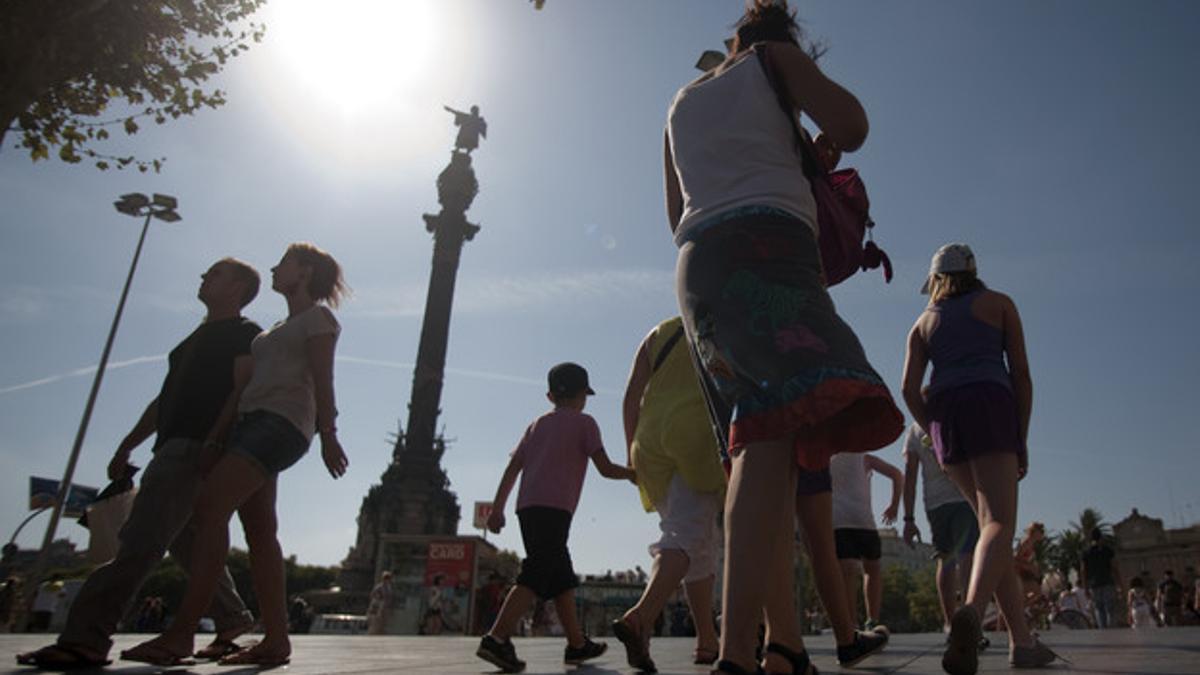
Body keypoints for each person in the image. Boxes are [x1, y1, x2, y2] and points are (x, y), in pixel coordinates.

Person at [664, 3, 904, 672]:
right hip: (767, 249)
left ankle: (782, 643)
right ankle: (740, 651)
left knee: (752, 446)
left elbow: (674, 212)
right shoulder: (776, 60)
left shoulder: (681, 101)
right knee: (769, 437)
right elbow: (853, 126)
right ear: (781, 37)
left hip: (696, 271)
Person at [16, 259, 262, 669]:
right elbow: (164, 400)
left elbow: (241, 391)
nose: (203, 276)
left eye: (215, 273)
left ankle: (86, 639)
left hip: (193, 448)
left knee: (140, 540)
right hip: (174, 445)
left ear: (238, 287)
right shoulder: (192, 342)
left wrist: (216, 440)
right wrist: (128, 444)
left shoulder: (245, 334)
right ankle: (232, 615)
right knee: (188, 544)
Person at [121, 242, 349, 667]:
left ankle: (182, 633)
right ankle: (276, 639)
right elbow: (241, 390)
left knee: (208, 509)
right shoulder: (269, 333)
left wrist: (329, 433)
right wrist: (217, 437)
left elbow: (323, 377)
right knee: (260, 534)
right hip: (249, 427)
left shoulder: (318, 319)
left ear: (305, 272)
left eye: (284, 263)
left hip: (280, 425)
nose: (275, 269)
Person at [901, 243, 1056, 673]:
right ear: (973, 272)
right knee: (999, 524)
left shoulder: (923, 322)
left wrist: (931, 430)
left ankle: (1022, 643)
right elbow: (1021, 374)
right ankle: (970, 611)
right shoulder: (999, 303)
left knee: (992, 533)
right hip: (990, 404)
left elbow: (908, 390)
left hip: (946, 416)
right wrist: (1019, 436)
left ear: (935, 280)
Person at [474, 362, 637, 673]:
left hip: (527, 509)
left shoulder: (536, 425)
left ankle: (577, 645)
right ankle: (496, 638)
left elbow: (513, 468)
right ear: (583, 395)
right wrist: (634, 475)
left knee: (561, 576)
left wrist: (497, 508)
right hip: (555, 510)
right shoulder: (585, 423)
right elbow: (604, 468)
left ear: (550, 396)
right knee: (536, 573)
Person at [611, 317, 726, 672]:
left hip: (649, 442)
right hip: (696, 436)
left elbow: (632, 394)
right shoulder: (722, 325)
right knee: (686, 536)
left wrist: (631, 450)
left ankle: (707, 640)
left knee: (697, 544)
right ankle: (641, 617)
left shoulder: (657, 333)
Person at [901, 422, 978, 633]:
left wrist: (908, 518)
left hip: (935, 504)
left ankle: (950, 623)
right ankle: (968, 623)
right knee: (966, 557)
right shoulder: (951, 412)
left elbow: (910, 476)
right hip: (964, 497)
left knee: (945, 559)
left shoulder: (915, 431)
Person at [830, 452, 902, 634]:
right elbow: (896, 474)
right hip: (846, 521)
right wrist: (894, 505)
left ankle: (867, 621)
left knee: (867, 569)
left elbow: (896, 475)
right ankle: (853, 623)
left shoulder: (862, 457)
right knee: (856, 570)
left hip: (857, 522)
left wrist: (894, 505)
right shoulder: (857, 457)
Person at [1080, 527, 1121, 629]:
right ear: (1101, 537)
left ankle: (1104, 632)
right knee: (1110, 608)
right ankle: (1112, 630)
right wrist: (1119, 584)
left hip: (1094, 584)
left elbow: (1083, 571)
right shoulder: (1107, 550)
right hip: (1108, 582)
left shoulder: (1086, 552)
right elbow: (1114, 567)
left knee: (1099, 609)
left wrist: (1085, 587)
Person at [366, 571, 394, 635]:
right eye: (386, 579)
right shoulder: (379, 587)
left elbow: (390, 598)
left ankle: (381, 633)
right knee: (376, 623)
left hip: (385, 608)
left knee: (383, 623)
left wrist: (390, 607)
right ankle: (373, 634)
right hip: (378, 607)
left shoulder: (389, 588)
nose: (387, 581)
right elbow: (373, 596)